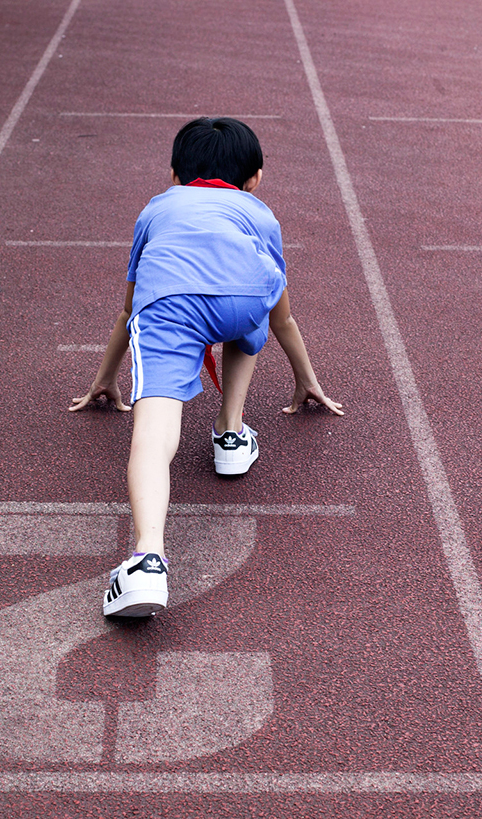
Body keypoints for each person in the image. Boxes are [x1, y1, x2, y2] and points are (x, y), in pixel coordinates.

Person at [69, 117, 343, 618]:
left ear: (174, 174)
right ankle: (231, 434)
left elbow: (129, 309)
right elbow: (280, 313)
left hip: (170, 306)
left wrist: (106, 376)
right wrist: (307, 378)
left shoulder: (157, 209)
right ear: (255, 177)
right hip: (243, 300)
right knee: (250, 314)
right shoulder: (259, 214)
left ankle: (146, 561)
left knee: (153, 437)